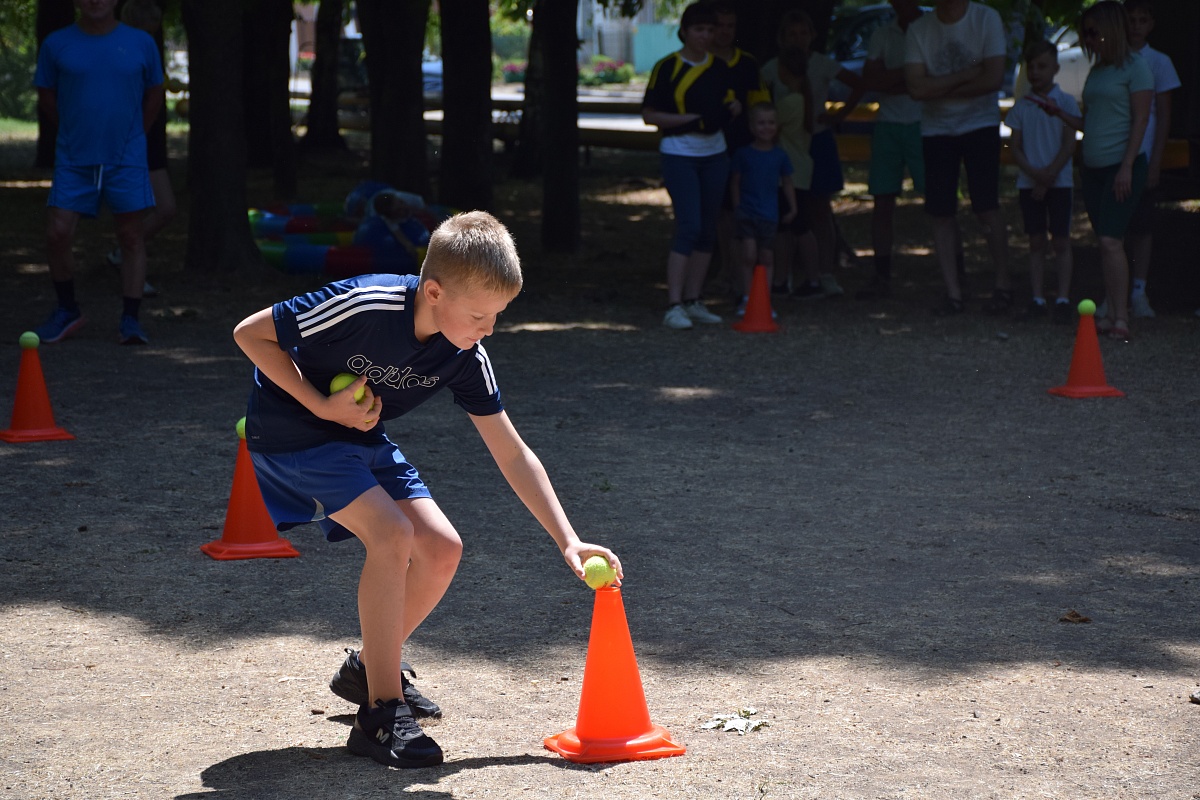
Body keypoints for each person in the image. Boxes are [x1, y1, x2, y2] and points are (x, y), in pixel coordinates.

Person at [232, 211, 623, 768]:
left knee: (441, 548)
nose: (490, 328)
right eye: (480, 315)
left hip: (360, 437)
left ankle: (367, 669)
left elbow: (512, 451)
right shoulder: (365, 305)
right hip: (291, 435)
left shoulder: (463, 353)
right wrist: (321, 405)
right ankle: (380, 714)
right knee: (392, 534)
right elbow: (249, 333)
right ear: (434, 292)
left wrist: (569, 539)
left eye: (498, 315)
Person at [32, 0, 164, 345]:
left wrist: (136, 135)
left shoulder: (141, 42)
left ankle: (131, 320)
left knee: (131, 236)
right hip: (74, 157)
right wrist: (73, 132)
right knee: (58, 233)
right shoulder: (57, 43)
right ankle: (67, 309)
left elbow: (155, 92)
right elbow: (46, 94)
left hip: (126, 157)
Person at [1040, 1, 1152, 340]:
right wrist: (1059, 113)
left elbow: (1141, 120)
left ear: (1111, 29)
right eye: (1085, 34)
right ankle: (1111, 311)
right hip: (1093, 168)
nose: (1088, 40)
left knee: (1110, 240)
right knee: (1105, 242)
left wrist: (1127, 166)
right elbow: (1090, 123)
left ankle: (1121, 317)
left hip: (1121, 167)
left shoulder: (1136, 68)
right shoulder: (1099, 71)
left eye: (1092, 32)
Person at [904, 0, 1011, 316]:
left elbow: (993, 79)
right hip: (936, 130)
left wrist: (936, 88)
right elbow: (916, 89)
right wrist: (966, 75)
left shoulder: (987, 18)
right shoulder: (919, 29)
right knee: (940, 212)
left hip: (981, 124)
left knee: (986, 206)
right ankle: (953, 293)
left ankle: (1003, 285)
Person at [643, 1, 741, 330]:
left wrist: (732, 109)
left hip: (716, 154)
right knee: (689, 226)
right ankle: (674, 304)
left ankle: (694, 299)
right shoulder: (667, 67)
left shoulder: (720, 67)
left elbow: (730, 103)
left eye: (711, 30)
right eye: (699, 29)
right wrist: (692, 120)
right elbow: (650, 115)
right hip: (680, 153)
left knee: (707, 228)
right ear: (684, 31)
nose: (705, 36)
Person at [762, 9, 867, 299]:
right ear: (782, 38)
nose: (798, 39)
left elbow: (858, 84)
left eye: (803, 33)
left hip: (817, 139)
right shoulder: (771, 68)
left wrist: (839, 115)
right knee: (785, 211)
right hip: (784, 145)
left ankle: (825, 272)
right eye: (792, 34)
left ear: (812, 36)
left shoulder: (821, 63)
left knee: (821, 209)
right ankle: (785, 274)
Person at [105, 0, 178, 300]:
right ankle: (130, 270)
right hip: (132, 141)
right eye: (148, 30)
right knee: (137, 212)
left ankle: (122, 255)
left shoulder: (146, 52)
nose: (151, 35)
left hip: (150, 141)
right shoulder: (122, 55)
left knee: (165, 208)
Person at [1115, 0, 1180, 319]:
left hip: (1143, 154)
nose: (1136, 26)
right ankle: (1113, 290)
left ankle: (1139, 291)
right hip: (1113, 153)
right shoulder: (1112, 59)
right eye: (1131, 19)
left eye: (1143, 20)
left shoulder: (1159, 61)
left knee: (1142, 226)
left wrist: (1155, 162)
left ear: (1151, 24)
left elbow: (1164, 114)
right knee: (1113, 226)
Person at [856, 0, 926, 300]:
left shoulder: (932, 29)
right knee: (882, 200)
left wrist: (892, 79)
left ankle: (956, 271)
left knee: (939, 198)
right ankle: (881, 274)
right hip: (888, 123)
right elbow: (871, 80)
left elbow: (934, 79)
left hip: (926, 123)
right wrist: (912, 77)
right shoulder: (882, 33)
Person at [1006, 39, 1078, 324]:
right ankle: (1037, 298)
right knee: (1036, 240)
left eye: (1042, 66)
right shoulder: (1022, 106)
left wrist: (1048, 175)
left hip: (1059, 183)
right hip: (1030, 184)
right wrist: (1035, 175)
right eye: (1031, 66)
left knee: (1061, 239)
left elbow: (1070, 144)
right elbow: (1014, 147)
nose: (1036, 72)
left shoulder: (1066, 102)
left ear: (1056, 68)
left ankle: (1062, 298)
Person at [709, 1, 770, 301]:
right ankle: (724, 269)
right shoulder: (702, 61)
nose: (724, 32)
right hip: (709, 146)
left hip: (743, 148)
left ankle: (740, 273)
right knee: (718, 211)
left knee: (739, 210)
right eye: (719, 26)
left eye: (730, 26)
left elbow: (761, 105)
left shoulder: (747, 63)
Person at [729, 103, 797, 315]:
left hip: (769, 214)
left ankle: (764, 300)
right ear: (751, 127)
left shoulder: (780, 156)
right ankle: (747, 297)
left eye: (771, 123)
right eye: (761, 123)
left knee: (767, 256)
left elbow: (787, 183)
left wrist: (793, 208)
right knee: (749, 254)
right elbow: (735, 182)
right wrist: (738, 207)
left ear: (777, 126)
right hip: (748, 212)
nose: (766, 127)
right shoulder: (743, 154)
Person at [772, 46, 822, 298]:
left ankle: (795, 279)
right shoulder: (804, 99)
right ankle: (800, 279)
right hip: (800, 169)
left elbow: (771, 130)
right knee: (797, 226)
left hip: (788, 174)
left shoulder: (788, 103)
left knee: (792, 227)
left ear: (783, 71)